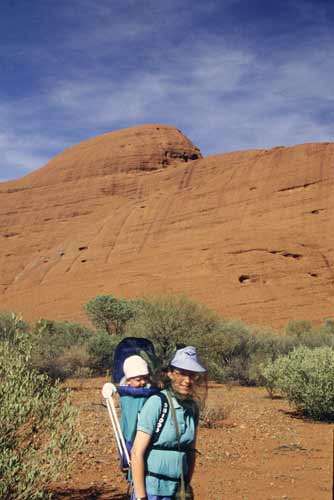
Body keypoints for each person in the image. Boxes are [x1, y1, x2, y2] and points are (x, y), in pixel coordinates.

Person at [131, 346, 207, 500]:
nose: (187, 380)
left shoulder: (192, 408)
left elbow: (191, 452)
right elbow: (136, 453)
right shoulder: (157, 403)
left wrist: (186, 486)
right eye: (182, 373)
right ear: (170, 374)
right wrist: (141, 497)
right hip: (151, 491)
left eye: (192, 375)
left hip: (177, 492)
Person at [118, 355, 158, 470]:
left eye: (145, 378)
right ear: (128, 380)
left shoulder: (148, 390)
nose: (143, 382)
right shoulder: (128, 395)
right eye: (138, 380)